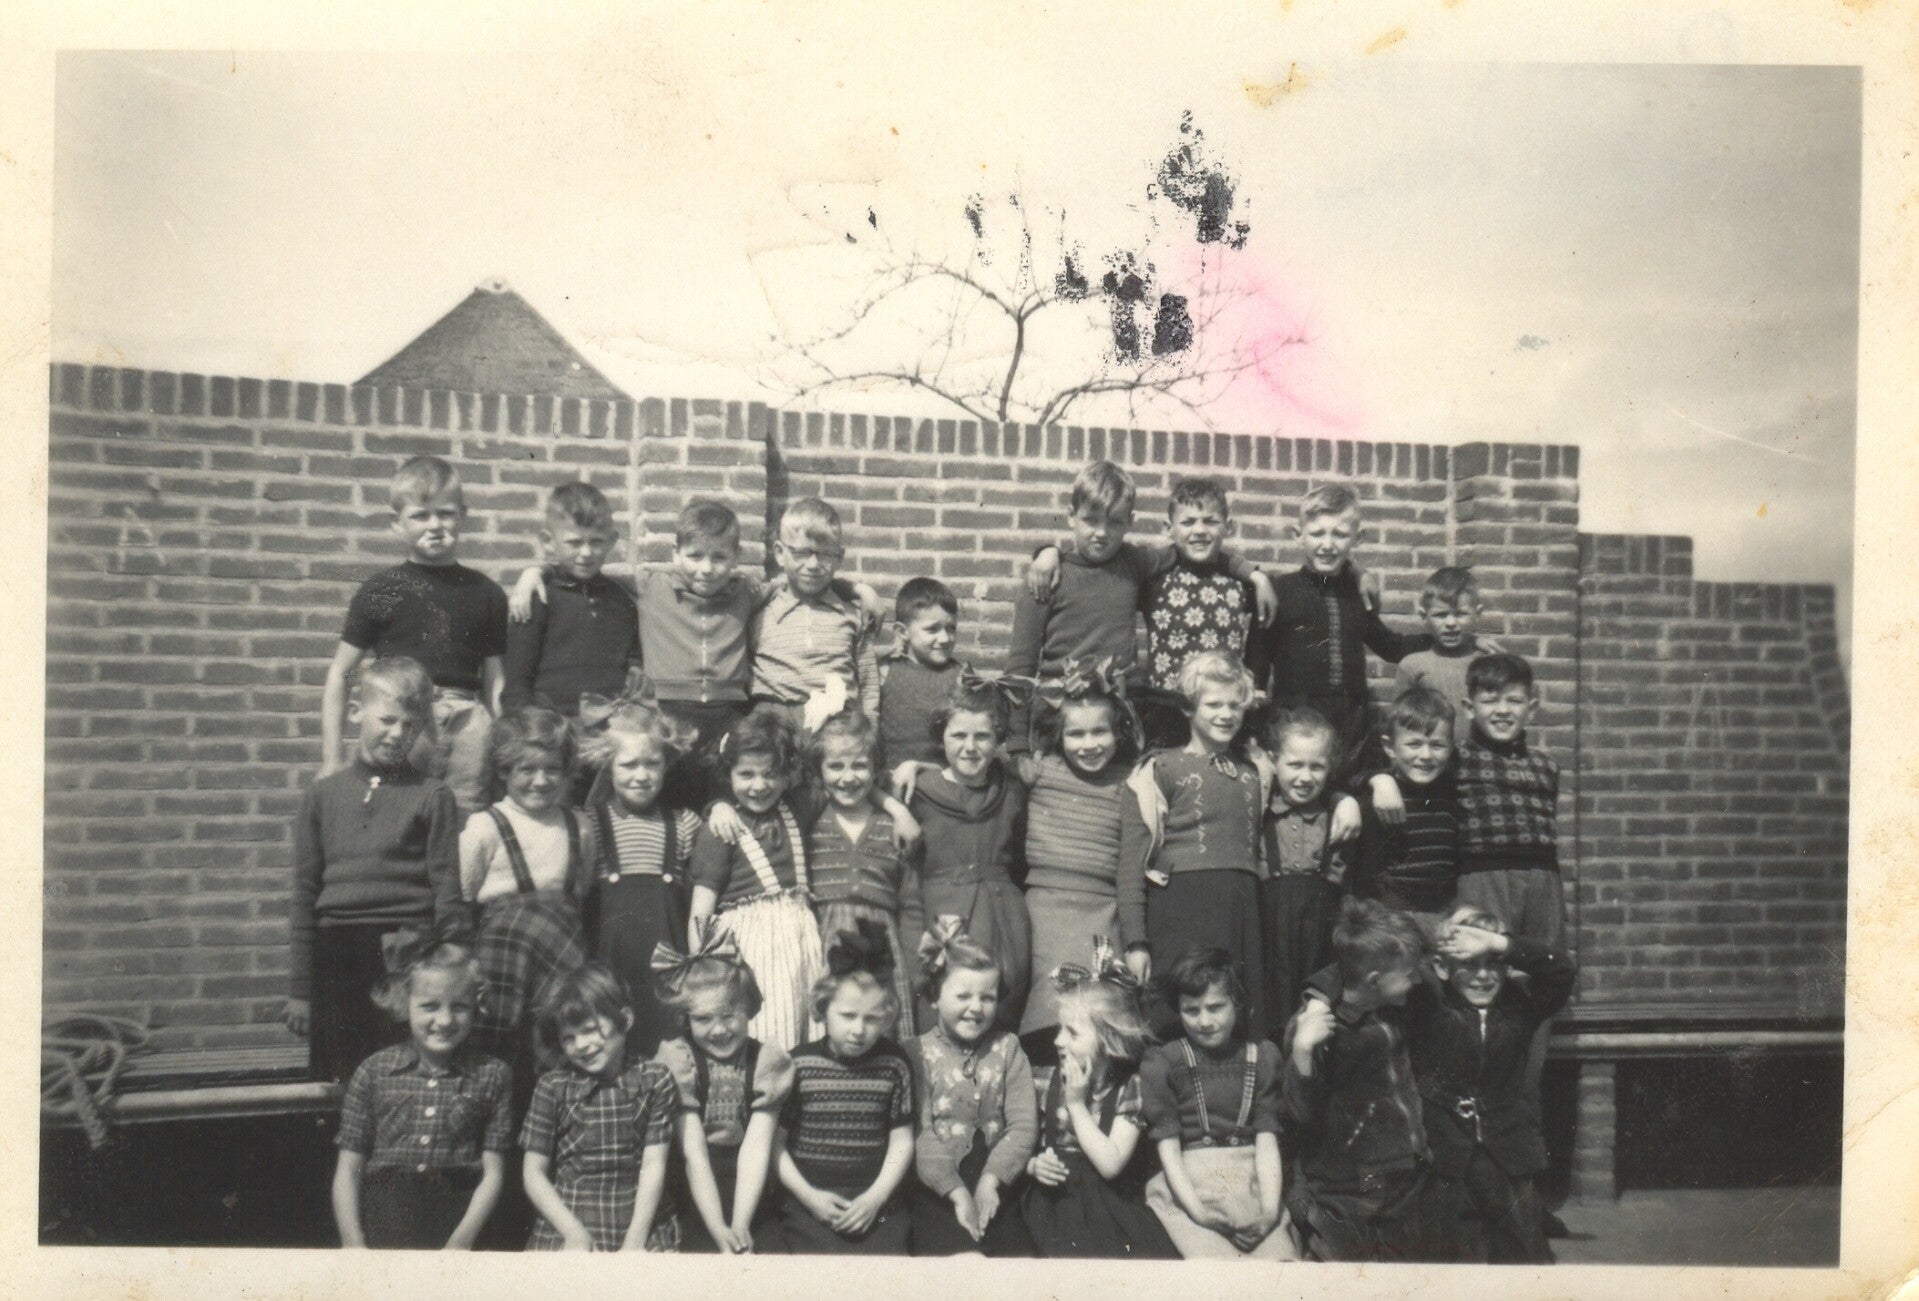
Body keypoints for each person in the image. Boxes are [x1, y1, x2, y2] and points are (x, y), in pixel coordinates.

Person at [508, 498, 877, 809]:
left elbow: (802, 578)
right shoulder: (650, 585)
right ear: (675, 554)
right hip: (668, 711)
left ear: (736, 557)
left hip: (727, 713)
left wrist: (857, 589)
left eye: (719, 557)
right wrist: (536, 572)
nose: (706, 569)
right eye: (695, 556)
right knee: (653, 796)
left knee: (725, 801)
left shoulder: (746, 591)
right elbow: (589, 568)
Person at [1011, 461, 1273, 754]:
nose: (1101, 532)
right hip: (1058, 717)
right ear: (1071, 516)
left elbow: (1192, 547)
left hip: (1120, 719)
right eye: (1091, 520)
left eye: (1114, 522)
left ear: (1130, 521)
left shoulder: (1133, 564)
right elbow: (1020, 668)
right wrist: (1017, 746)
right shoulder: (1045, 580)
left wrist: (1254, 574)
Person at [286, 656, 465, 1083]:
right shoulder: (323, 795)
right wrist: (300, 990)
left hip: (406, 950)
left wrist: (455, 960)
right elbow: (304, 893)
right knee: (342, 1082)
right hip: (337, 954)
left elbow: (447, 885)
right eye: (387, 720)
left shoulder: (433, 795)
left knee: (405, 1078)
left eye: (410, 725)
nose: (397, 734)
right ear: (355, 712)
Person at [321, 455, 507, 814]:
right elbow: (340, 673)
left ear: (463, 516)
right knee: (394, 816)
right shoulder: (382, 590)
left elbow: (495, 681)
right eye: (420, 515)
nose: (434, 525)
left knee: (465, 818)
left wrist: (502, 750)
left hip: (468, 726)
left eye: (446, 513)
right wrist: (331, 756)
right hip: (403, 717)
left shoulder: (486, 593)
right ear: (397, 524)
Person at [1396, 906, 1575, 1263]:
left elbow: (1561, 969)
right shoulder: (1427, 1004)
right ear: (1443, 967)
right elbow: (1373, 950)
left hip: (1507, 1154)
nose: (1482, 976)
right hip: (1443, 1153)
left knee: (1525, 1256)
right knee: (1448, 1257)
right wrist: (1318, 997)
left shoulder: (1520, 1006)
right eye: (1469, 964)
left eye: (1492, 963)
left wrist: (1499, 943)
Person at [1282, 898, 1454, 1262]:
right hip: (1350, 1186)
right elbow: (1299, 1113)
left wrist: (1317, 994)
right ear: (1374, 980)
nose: (1417, 979)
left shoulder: (1393, 1004)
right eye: (1409, 973)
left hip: (1407, 1175)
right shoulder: (1317, 1029)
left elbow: (1344, 966)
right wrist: (1302, 1051)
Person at [1120, 652, 1272, 1040]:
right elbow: (1131, 866)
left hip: (1240, 911)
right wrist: (1136, 942)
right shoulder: (1159, 769)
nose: (1226, 714)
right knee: (1176, 1019)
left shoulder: (1256, 770)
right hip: (1180, 911)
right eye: (1214, 704)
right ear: (1188, 708)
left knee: (1236, 1019)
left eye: (1235, 705)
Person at [1247, 482, 1430, 792]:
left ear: (1357, 538)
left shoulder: (1356, 594)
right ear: (1298, 535)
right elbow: (1256, 669)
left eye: (1340, 534)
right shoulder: (1279, 591)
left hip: (1350, 729)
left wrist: (1446, 641)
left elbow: (1391, 646)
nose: (1327, 545)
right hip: (1294, 728)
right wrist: (1254, 736)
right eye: (1317, 533)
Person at [332, 941, 511, 1250]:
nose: (445, 1020)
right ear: (405, 1003)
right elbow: (348, 1169)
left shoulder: (493, 1075)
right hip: (386, 1221)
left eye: (459, 1007)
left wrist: (460, 1244)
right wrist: (353, 1244)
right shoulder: (373, 1072)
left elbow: (493, 1173)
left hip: (460, 1222)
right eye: (430, 1006)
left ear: (476, 1006)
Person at [1013, 668, 1147, 1064]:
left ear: (1118, 732)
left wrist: (1135, 941)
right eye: (1076, 734)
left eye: (1099, 732)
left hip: (1103, 913)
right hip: (1046, 911)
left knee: (1099, 1016)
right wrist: (916, 767)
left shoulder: (1131, 781)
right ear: (1058, 736)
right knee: (1049, 1013)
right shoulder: (1039, 770)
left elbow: (1130, 868)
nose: (1089, 745)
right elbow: (982, 770)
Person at [460, 707, 595, 1084]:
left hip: (560, 952)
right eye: (527, 769)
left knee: (558, 1042)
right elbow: (464, 895)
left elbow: (581, 890)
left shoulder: (579, 826)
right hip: (503, 958)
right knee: (498, 1051)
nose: (540, 780)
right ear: (503, 771)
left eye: (552, 769)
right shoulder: (484, 827)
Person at [1021, 939, 1177, 1260]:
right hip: (1050, 1204)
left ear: (1108, 1041)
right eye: (1059, 1029)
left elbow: (1110, 1164)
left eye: (1072, 1033)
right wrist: (1033, 1165)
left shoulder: (1129, 1088)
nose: (1057, 1041)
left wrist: (1076, 1105)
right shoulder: (1042, 1080)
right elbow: (1016, 1138)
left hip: (1106, 1205)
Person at [685, 707, 825, 1054]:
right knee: (768, 1030)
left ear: (787, 774)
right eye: (746, 774)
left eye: (770, 774)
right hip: (753, 948)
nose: (759, 785)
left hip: (801, 942)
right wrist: (705, 973)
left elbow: (830, 776)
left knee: (806, 1028)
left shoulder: (797, 808)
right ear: (728, 775)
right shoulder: (720, 830)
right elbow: (701, 911)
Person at [651, 924, 796, 1254]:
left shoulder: (766, 1061)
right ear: (686, 1019)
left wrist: (740, 1225)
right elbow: (693, 1152)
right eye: (703, 1019)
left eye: (729, 1016)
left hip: (750, 1187)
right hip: (693, 1188)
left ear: (749, 1008)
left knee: (766, 1255)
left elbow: (756, 1148)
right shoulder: (680, 1059)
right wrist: (718, 1226)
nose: (718, 1030)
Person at [775, 924, 917, 1254]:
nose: (858, 1030)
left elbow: (901, 1142)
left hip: (876, 1201)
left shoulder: (894, 1064)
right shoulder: (799, 1064)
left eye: (872, 1018)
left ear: (887, 1016)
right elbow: (775, 1146)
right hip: (810, 1200)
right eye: (848, 1015)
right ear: (824, 1007)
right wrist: (810, 1198)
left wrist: (875, 1199)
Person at [520, 963, 681, 1251]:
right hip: (568, 1223)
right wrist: (573, 1233)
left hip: (640, 1223)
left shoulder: (655, 1079)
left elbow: (654, 1165)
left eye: (589, 1030)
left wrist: (635, 1241)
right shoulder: (552, 1087)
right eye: (568, 1037)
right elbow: (533, 1173)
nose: (581, 1045)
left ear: (625, 1020)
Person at [905, 679, 1034, 1031]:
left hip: (1004, 919)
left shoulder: (1011, 790)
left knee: (999, 1012)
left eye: (983, 737)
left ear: (999, 739)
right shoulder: (919, 792)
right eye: (958, 735)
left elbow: (1020, 859)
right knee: (940, 1008)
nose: (970, 747)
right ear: (941, 737)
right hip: (942, 915)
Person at [907, 918, 1039, 1257]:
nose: (976, 1007)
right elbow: (920, 1133)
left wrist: (992, 1180)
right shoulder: (916, 1052)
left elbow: (1023, 1125)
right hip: (937, 1187)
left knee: (1016, 1264)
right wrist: (955, 1192)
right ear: (935, 996)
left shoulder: (1008, 1048)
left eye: (987, 997)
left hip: (998, 1180)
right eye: (963, 996)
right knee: (960, 1262)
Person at [580, 703, 703, 1058]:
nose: (642, 775)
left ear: (667, 765)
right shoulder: (589, 823)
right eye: (629, 764)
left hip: (667, 975)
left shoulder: (685, 824)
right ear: (608, 765)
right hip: (610, 969)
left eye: (652, 764)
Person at [805, 710, 923, 1035]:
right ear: (819, 769)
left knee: (880, 1029)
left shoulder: (892, 825)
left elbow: (911, 901)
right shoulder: (811, 817)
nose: (848, 777)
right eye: (836, 766)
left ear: (875, 769)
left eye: (859, 765)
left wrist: (898, 810)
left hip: (882, 943)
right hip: (825, 939)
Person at [1134, 477, 1262, 750]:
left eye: (1210, 521)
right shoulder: (1154, 580)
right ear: (1169, 528)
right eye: (1188, 522)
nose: (1200, 530)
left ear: (1228, 526)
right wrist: (1048, 554)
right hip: (1165, 706)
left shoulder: (1240, 583)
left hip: (1221, 711)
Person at [1261, 708, 1356, 1033]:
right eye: (1295, 765)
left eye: (1316, 766)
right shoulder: (1260, 809)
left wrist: (1346, 801)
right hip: (1271, 928)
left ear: (1330, 769)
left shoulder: (1338, 815)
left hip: (1322, 930)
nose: (1305, 777)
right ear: (1274, 761)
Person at [751, 497, 882, 728]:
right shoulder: (759, 611)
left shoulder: (851, 616)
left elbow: (869, 683)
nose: (812, 565)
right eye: (801, 553)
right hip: (773, 721)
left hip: (835, 722)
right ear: (780, 553)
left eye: (825, 554)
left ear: (839, 558)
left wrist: (870, 730)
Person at [1348, 686, 1462, 921]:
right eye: (1414, 744)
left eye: (1437, 745)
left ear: (1451, 747)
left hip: (1439, 915)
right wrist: (1377, 780)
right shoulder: (1379, 799)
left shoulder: (1452, 796)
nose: (1426, 755)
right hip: (1388, 917)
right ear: (1390, 747)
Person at [1392, 566, 1500, 745]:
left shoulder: (1489, 662)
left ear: (1477, 614)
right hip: (1432, 755)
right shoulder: (1412, 666)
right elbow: (1401, 723)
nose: (1451, 623)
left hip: (1482, 755)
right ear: (1424, 616)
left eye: (1461, 614)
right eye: (1440, 615)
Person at [878, 577, 965, 778]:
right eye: (932, 629)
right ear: (902, 631)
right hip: (889, 780)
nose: (945, 638)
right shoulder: (885, 671)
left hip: (941, 782)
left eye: (951, 628)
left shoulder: (960, 676)